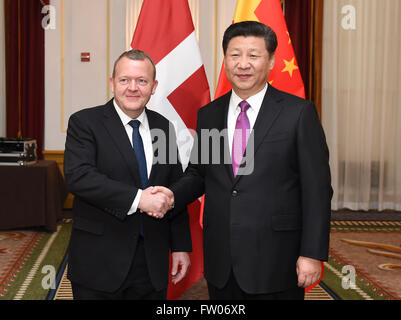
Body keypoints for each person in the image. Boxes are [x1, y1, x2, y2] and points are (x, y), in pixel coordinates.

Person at [152, 21, 332, 300]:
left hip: (277, 258)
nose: (243, 64)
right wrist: (172, 194)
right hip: (222, 259)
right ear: (225, 60)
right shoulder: (210, 114)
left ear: (271, 61)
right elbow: (200, 174)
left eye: (253, 55)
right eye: (235, 55)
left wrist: (311, 253)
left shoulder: (298, 113)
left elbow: (317, 190)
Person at [64, 49, 191, 300]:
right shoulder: (85, 122)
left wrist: (180, 246)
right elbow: (80, 177)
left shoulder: (163, 127)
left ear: (153, 87)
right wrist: (138, 199)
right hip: (99, 261)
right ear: (112, 83)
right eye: (125, 80)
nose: (133, 88)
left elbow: (173, 187)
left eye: (142, 81)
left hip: (151, 260)